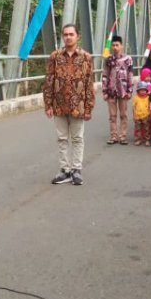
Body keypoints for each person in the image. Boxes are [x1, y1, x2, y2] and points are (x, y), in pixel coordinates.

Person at [44, 24, 95, 186]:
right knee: (62, 139)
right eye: (65, 34)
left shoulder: (86, 57)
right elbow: (49, 81)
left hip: (78, 105)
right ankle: (64, 170)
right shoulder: (55, 56)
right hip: (59, 104)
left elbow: (88, 83)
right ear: (62, 36)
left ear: (77, 36)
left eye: (71, 34)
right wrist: (48, 104)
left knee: (77, 138)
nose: (68, 37)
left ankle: (76, 170)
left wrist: (89, 107)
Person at [102, 35, 133, 145]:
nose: (115, 47)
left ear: (121, 46)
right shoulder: (109, 59)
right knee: (112, 115)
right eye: (113, 45)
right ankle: (113, 136)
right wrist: (104, 91)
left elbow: (130, 74)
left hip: (123, 90)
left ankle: (122, 136)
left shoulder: (127, 59)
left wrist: (130, 90)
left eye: (117, 45)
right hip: (111, 90)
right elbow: (105, 75)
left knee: (123, 114)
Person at [132, 81, 151, 146]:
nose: (143, 92)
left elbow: (150, 106)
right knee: (138, 129)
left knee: (147, 129)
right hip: (137, 116)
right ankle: (138, 140)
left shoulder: (148, 98)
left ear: (146, 91)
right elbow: (134, 107)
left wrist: (150, 114)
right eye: (141, 90)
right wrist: (134, 115)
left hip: (146, 115)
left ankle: (147, 140)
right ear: (138, 91)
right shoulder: (135, 98)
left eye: (144, 90)